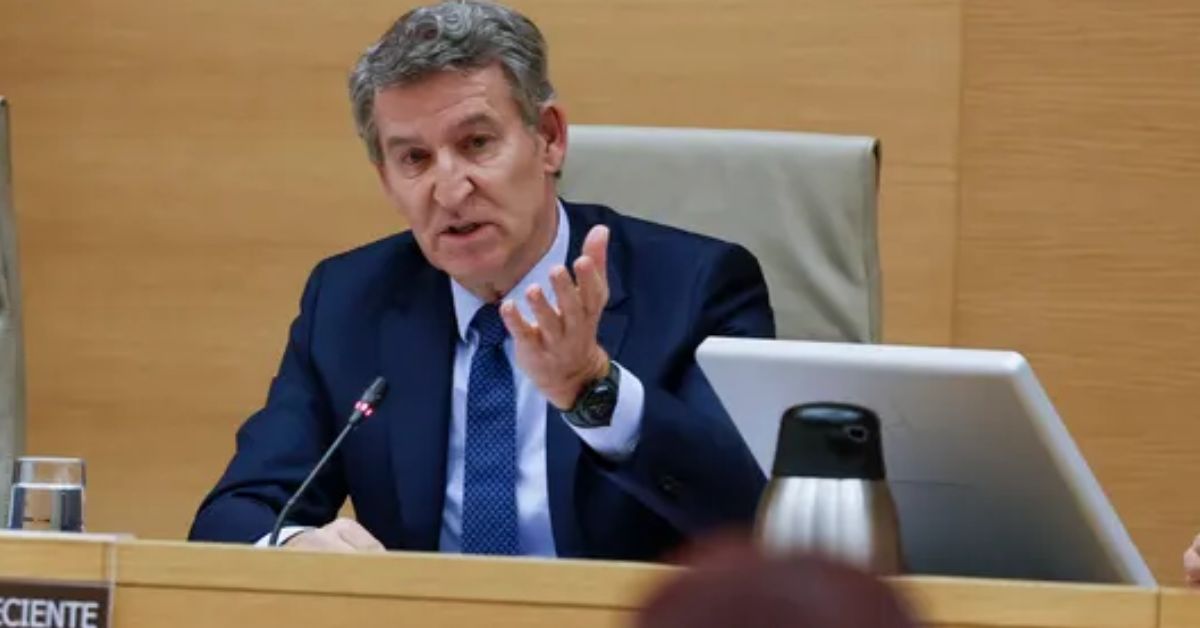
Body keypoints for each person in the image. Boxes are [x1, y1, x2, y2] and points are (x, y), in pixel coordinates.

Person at [188, 0, 773, 561]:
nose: (449, 190)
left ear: (549, 138)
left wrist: (593, 388)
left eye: (476, 144)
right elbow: (237, 512)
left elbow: (751, 517)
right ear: (386, 179)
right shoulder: (349, 301)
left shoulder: (696, 288)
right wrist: (292, 546)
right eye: (414, 159)